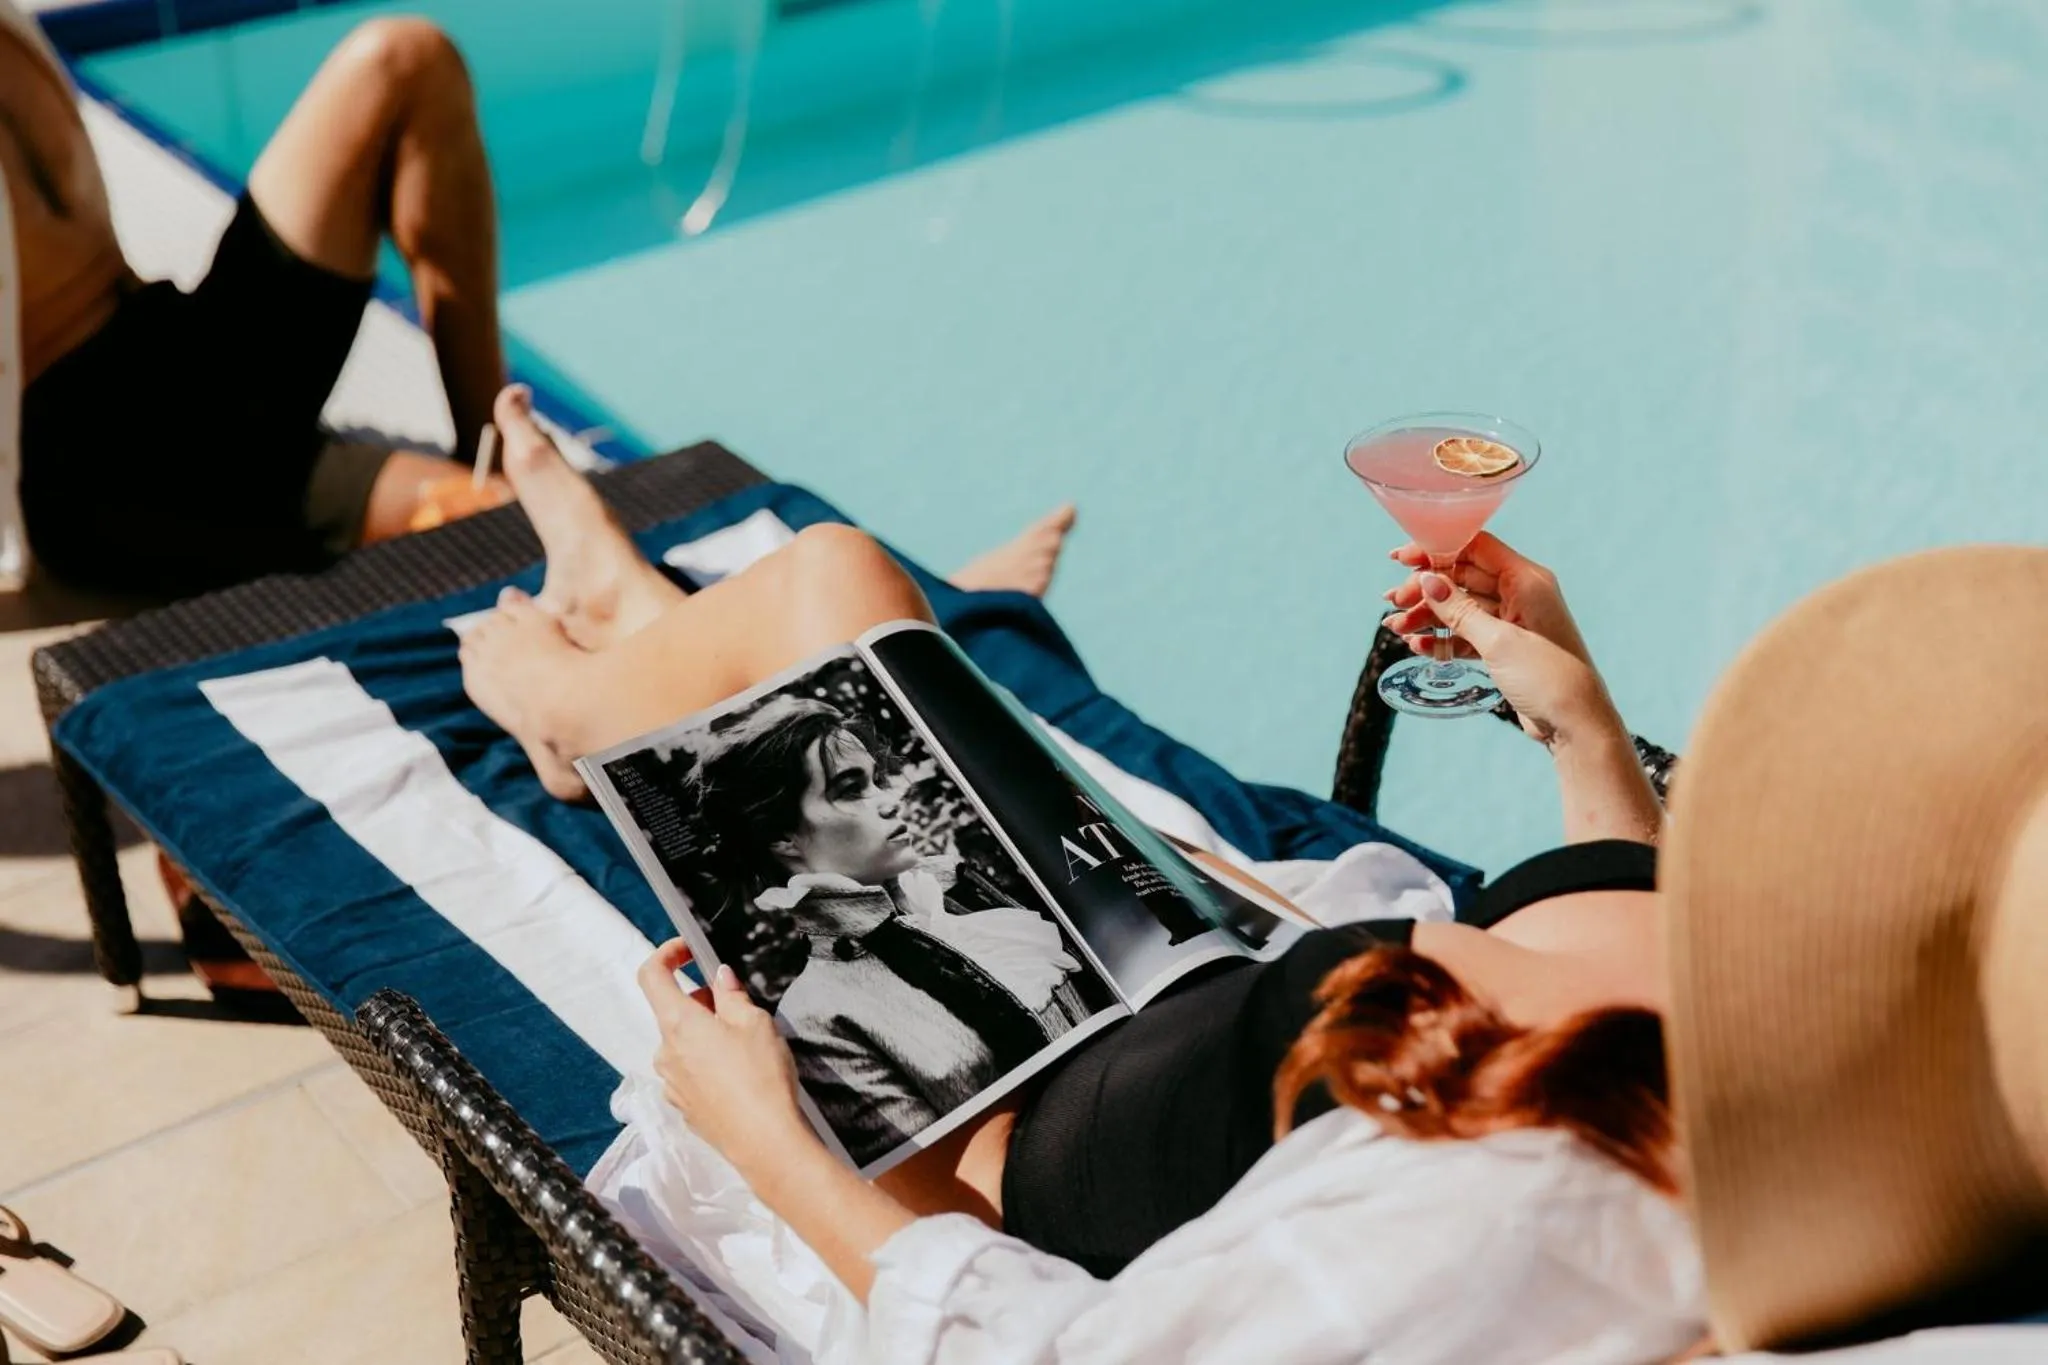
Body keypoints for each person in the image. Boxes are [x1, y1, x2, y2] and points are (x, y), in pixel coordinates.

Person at [460, 382, 1699, 1362]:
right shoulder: (1743, 1041)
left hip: (1017, 1148)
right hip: (1204, 974)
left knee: (838, 588)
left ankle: (569, 704)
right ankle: (628, 615)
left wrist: (764, 1140)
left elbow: (1030, 1339)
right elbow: (1604, 909)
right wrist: (1579, 722)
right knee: (846, 588)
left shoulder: (1489, 1248)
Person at [0, 0, 510, 595]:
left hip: (169, 340)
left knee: (405, 57)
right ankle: (491, 488)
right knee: (494, 519)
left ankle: (495, 439)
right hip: (112, 472)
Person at [656, 690, 1102, 1168]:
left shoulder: (964, 899)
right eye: (850, 788)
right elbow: (951, 1181)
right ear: (781, 837)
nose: (890, 801)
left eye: (876, 780)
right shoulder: (812, 1016)